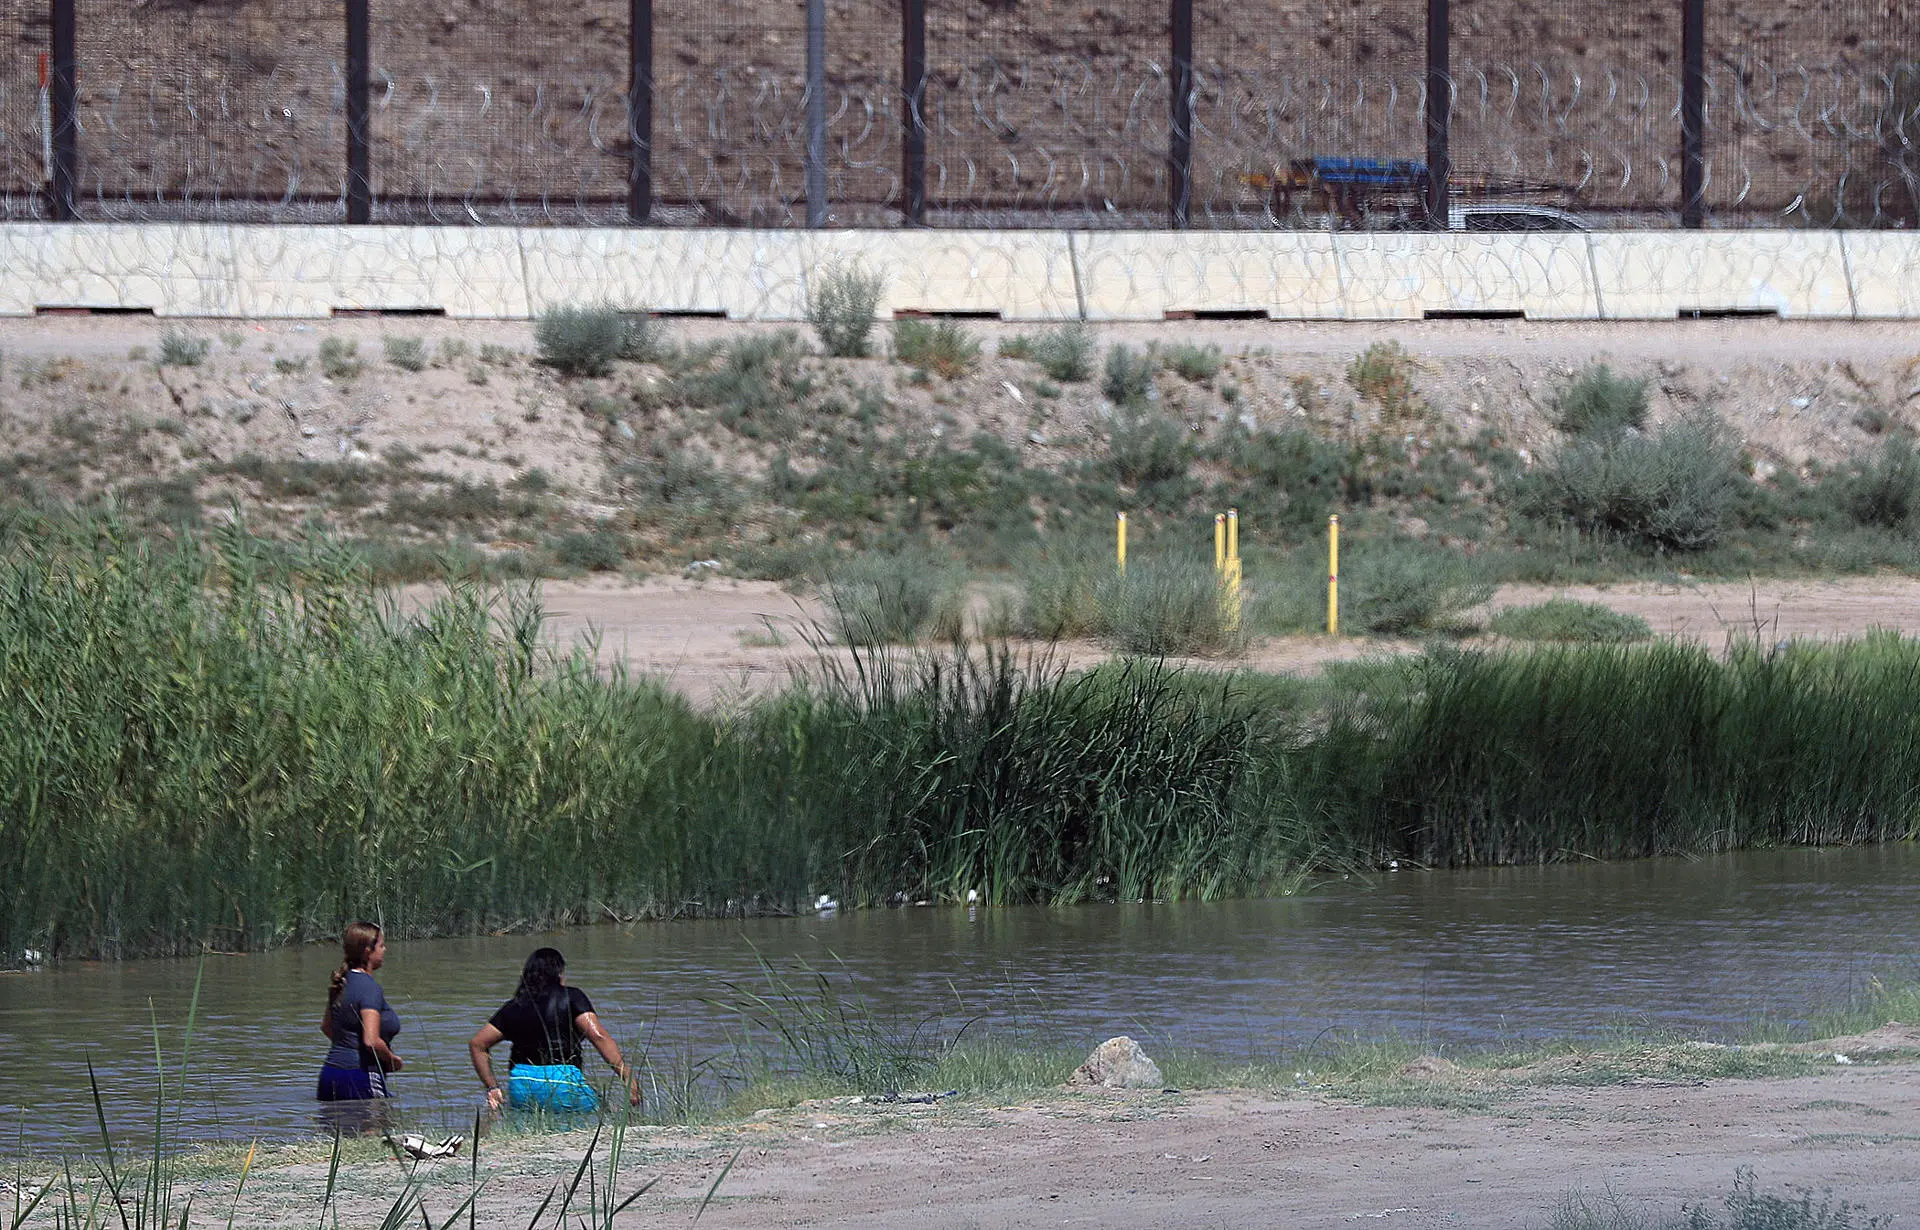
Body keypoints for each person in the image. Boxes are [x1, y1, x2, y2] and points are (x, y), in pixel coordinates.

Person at [469, 947, 639, 1114]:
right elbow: (598, 1036)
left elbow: (478, 1044)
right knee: (607, 1113)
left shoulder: (513, 1006)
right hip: (564, 1083)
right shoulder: (572, 997)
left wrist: (492, 1087)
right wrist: (627, 1077)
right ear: (558, 973)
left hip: (521, 1087)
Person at [316, 921, 403, 1101]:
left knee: (336, 1129)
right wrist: (390, 1059)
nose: (385, 950)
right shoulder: (369, 988)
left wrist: (348, 1047)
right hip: (361, 1074)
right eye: (381, 945)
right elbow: (371, 1041)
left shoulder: (341, 983)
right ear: (367, 951)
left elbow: (326, 1027)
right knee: (375, 1128)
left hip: (330, 1074)